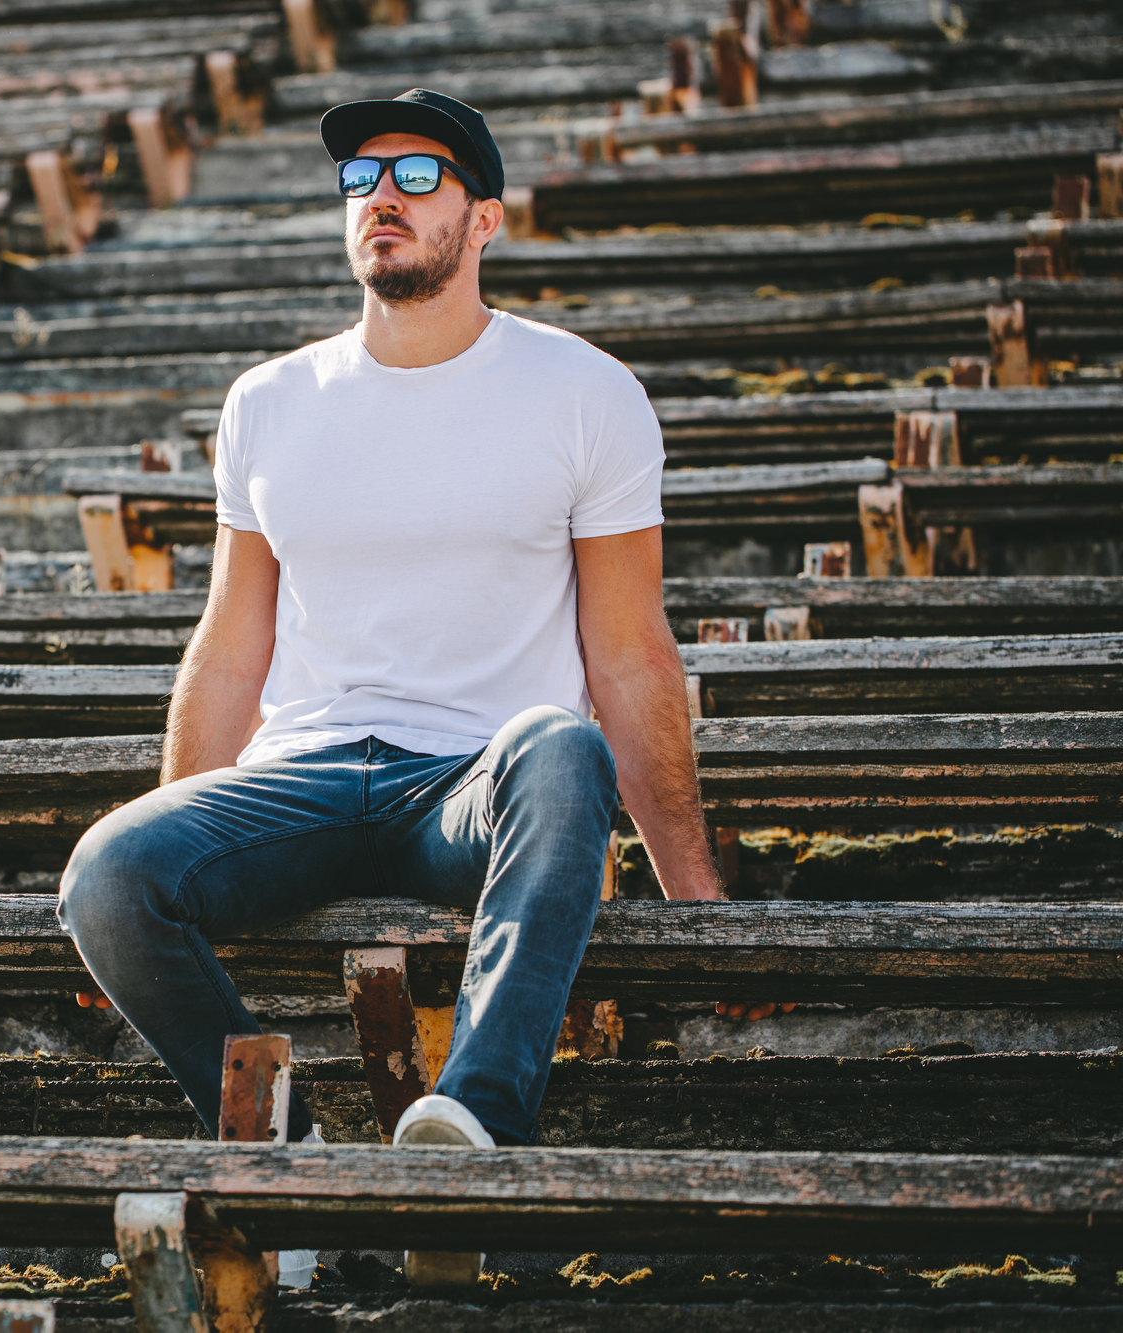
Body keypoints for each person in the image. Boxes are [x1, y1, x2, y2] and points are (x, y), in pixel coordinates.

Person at [57, 89, 781, 1287]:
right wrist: (171, 832)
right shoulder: (268, 404)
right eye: (358, 180)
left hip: (473, 787)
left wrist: (694, 901)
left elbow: (629, 653)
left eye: (414, 177)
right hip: (305, 782)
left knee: (560, 745)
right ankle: (281, 1156)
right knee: (106, 873)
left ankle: (473, 1129)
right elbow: (230, 644)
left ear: (482, 219)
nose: (377, 198)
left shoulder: (584, 394)